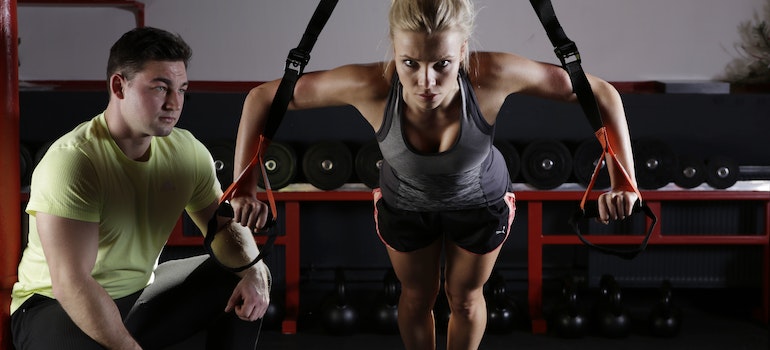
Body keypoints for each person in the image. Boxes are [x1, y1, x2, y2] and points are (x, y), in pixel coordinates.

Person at [232, 0, 638, 349]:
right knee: (416, 297)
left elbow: (599, 93)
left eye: (442, 64)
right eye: (410, 63)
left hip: (480, 204)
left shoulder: (490, 75)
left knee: (464, 299)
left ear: (462, 50)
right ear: (394, 49)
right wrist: (244, 186)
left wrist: (625, 181)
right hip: (406, 205)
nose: (426, 82)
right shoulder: (371, 85)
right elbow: (263, 98)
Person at [10, 27, 271, 350]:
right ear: (119, 86)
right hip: (54, 306)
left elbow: (223, 228)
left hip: (138, 294)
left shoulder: (187, 151)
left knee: (241, 272)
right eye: (161, 88)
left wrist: (254, 271)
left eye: (182, 90)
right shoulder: (75, 161)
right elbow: (71, 283)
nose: (175, 103)